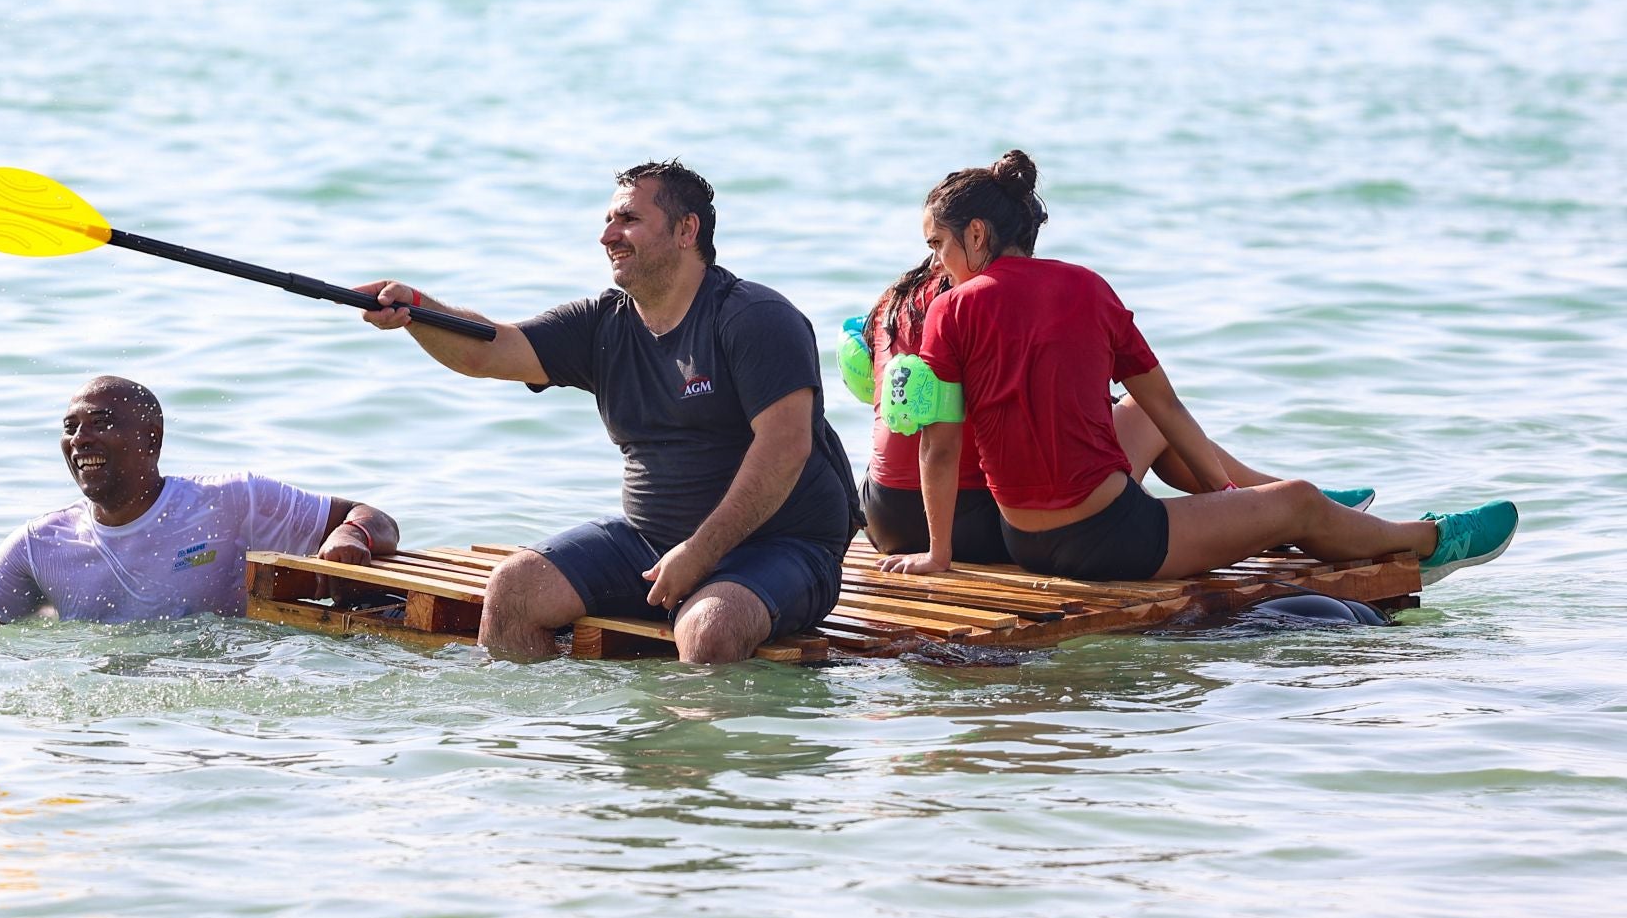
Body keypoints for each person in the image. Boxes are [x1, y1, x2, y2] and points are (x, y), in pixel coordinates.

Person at [876, 151, 1518, 586]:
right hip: (1114, 540)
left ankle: (1259, 513)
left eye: (938, 244)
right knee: (1294, 501)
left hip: (1023, 537)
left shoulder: (949, 312)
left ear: (979, 235)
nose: (936, 262)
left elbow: (939, 445)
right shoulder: (1086, 289)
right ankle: (1429, 543)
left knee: (1262, 502)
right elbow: (1166, 409)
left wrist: (938, 554)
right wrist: (1227, 494)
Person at [356, 160, 861, 664]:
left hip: (782, 546)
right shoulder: (602, 324)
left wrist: (698, 555)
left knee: (710, 631)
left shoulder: (755, 318)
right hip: (650, 541)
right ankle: (553, 733)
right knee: (513, 591)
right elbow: (488, 350)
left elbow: (785, 446)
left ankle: (693, 740)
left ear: (687, 230)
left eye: (628, 220)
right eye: (607, 221)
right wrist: (414, 310)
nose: (607, 236)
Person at [848, 255, 1375, 564]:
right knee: (1146, 413)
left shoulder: (892, 302)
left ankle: (1269, 499)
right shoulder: (972, 305)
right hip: (968, 523)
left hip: (884, 516)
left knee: (1136, 418)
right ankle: (1268, 502)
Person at [0, 376, 398, 624]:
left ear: (151, 440)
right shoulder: (39, 542)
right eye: (71, 427)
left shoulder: (232, 500)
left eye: (101, 422)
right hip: (100, 704)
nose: (81, 438)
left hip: (223, 691)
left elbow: (374, 518)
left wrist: (352, 534)